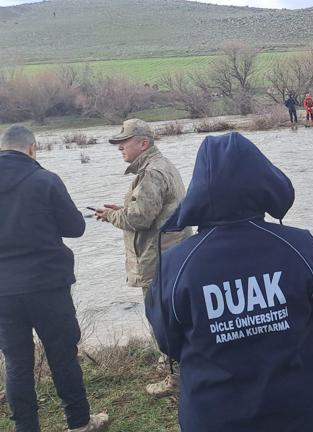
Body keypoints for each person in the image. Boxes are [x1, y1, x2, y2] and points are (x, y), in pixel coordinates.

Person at [145, 132, 313, 432]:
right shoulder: (298, 245)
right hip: (300, 409)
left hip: (213, 413)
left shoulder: (176, 262)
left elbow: (169, 340)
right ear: (263, 182)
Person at [0, 125, 109, 432]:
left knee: (17, 362)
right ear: (32, 149)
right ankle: (79, 423)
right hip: (47, 285)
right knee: (62, 355)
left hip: (3, 290)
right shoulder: (45, 180)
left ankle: (26, 428)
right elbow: (75, 227)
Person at [95, 119, 191, 397]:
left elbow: (140, 217)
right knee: (172, 313)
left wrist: (112, 215)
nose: (119, 148)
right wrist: (123, 208)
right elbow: (148, 210)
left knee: (163, 317)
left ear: (143, 143)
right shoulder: (161, 166)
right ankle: (172, 362)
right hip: (171, 252)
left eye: (123, 142)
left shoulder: (152, 172)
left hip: (160, 255)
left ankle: (176, 379)